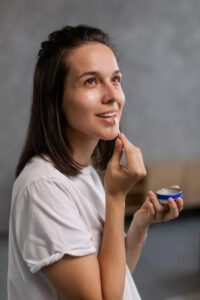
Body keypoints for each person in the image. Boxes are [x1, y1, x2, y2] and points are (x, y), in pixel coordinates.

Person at [7, 25, 183, 300]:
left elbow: (114, 280)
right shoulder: (42, 188)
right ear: (56, 99)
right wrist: (115, 197)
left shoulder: (83, 173)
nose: (113, 95)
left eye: (115, 79)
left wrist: (139, 224)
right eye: (91, 81)